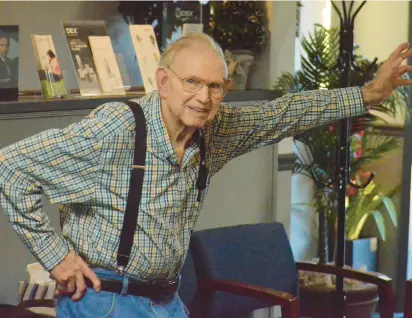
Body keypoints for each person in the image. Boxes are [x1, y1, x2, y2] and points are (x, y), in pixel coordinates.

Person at [0, 33, 411, 317]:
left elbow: (286, 113)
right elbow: (10, 167)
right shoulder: (117, 129)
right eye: (191, 82)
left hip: (168, 302)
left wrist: (368, 95)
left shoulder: (214, 129)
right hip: (105, 302)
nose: (203, 96)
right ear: (163, 82)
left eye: (215, 86)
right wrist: (56, 257)